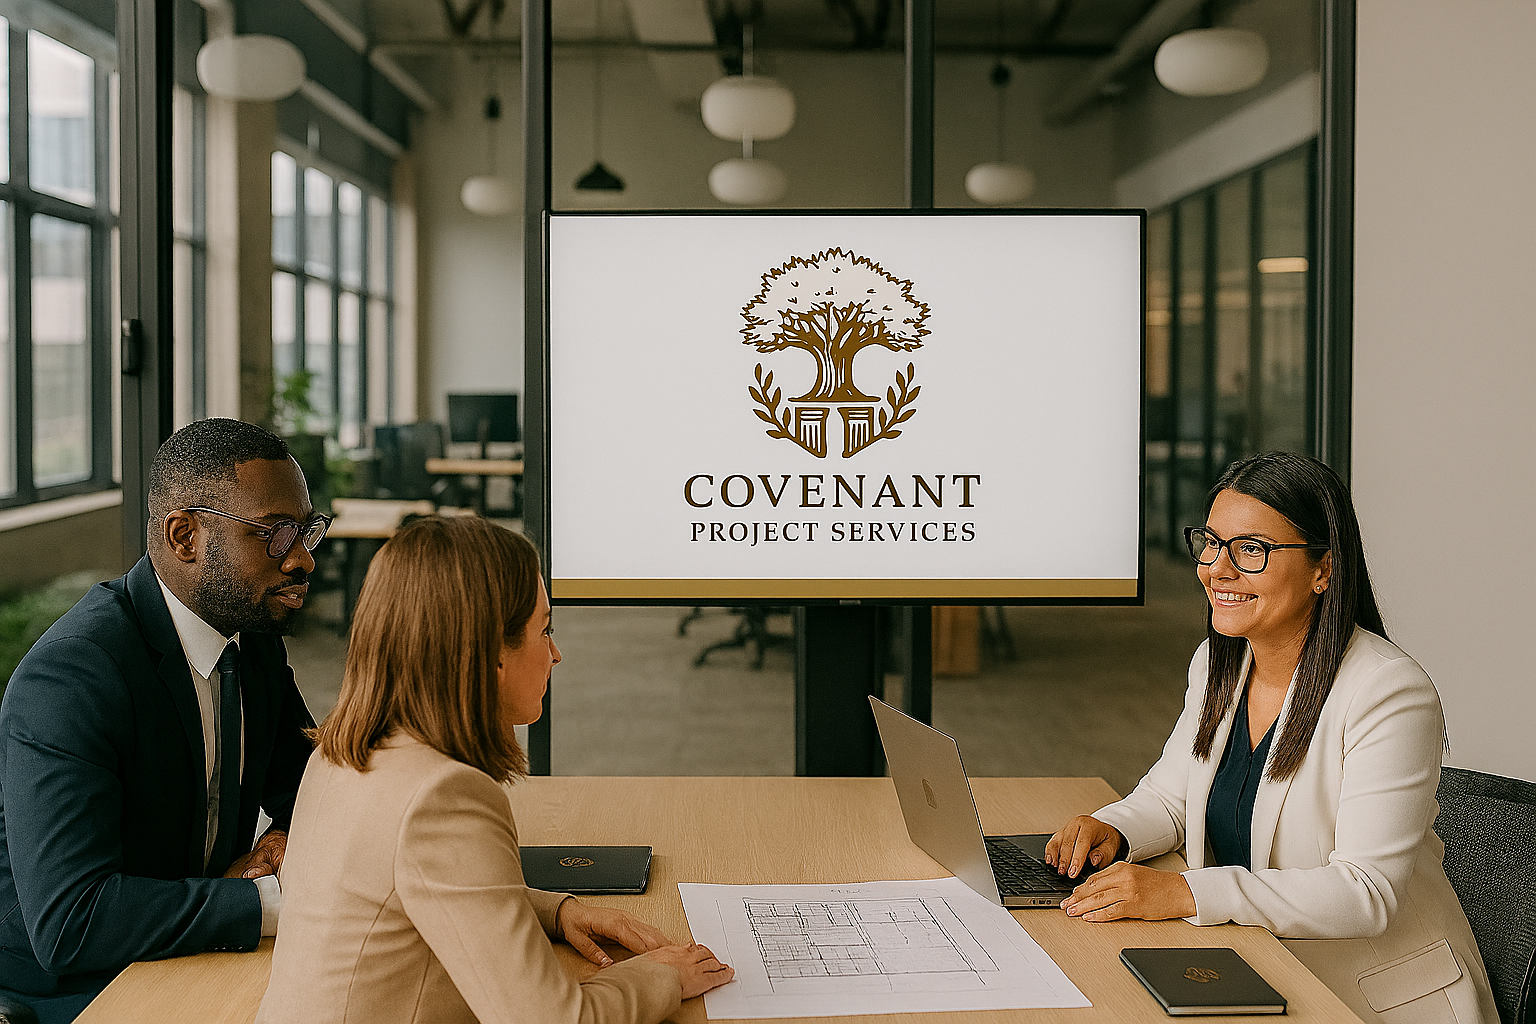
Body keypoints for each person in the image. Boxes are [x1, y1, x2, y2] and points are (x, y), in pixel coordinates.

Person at [1042, 451, 1497, 1024]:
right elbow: (1172, 799)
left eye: (1250, 550)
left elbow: (1365, 893)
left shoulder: (1388, 691)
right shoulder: (1219, 663)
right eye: (1211, 542)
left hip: (1367, 994)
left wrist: (1187, 893)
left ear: (1323, 570)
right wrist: (1113, 828)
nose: (1217, 568)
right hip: (1254, 964)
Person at [257, 516, 733, 1024]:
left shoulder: (342, 752)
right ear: (489, 655)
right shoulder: (443, 796)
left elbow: (425, 887)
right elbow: (553, 1020)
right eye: (543, 629)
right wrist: (663, 975)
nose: (555, 654)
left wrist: (557, 911)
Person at [0, 418, 325, 1024]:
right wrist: (265, 900)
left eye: (307, 531)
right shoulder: (74, 677)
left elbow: (313, 785)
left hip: (188, 951)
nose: (302, 558)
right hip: (76, 990)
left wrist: (284, 840)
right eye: (276, 536)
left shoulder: (250, 642)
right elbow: (74, 921)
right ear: (184, 536)